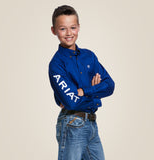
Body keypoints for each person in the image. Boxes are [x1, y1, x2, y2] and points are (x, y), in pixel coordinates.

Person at [48, 5, 115, 160]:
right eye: (63, 29)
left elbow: (110, 85)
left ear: (78, 27)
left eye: (73, 27)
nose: (69, 33)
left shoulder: (89, 56)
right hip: (72, 123)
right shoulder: (56, 64)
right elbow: (71, 102)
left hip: (91, 124)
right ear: (54, 31)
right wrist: (96, 94)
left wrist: (86, 91)